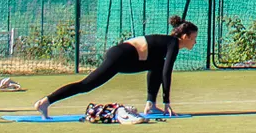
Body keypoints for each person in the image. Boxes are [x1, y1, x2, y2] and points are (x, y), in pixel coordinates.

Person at [35, 16, 198, 118]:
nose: (195, 42)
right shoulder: (173, 44)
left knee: (157, 63)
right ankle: (46, 101)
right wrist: (167, 102)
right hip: (121, 56)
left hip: (127, 57)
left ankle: (150, 105)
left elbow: (161, 68)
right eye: (193, 38)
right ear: (185, 37)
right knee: (87, 85)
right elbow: (166, 73)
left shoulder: (168, 43)